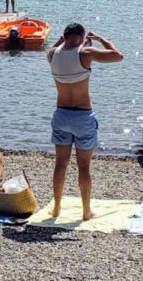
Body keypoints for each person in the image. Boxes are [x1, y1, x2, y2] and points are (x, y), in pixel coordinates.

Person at [47, 23, 123, 221]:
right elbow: (118, 55)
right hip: (82, 116)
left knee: (60, 164)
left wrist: (65, 41)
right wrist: (99, 38)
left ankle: (56, 207)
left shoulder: (52, 54)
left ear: (64, 37)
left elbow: (57, 48)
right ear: (81, 37)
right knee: (83, 167)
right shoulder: (86, 53)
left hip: (61, 114)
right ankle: (86, 211)